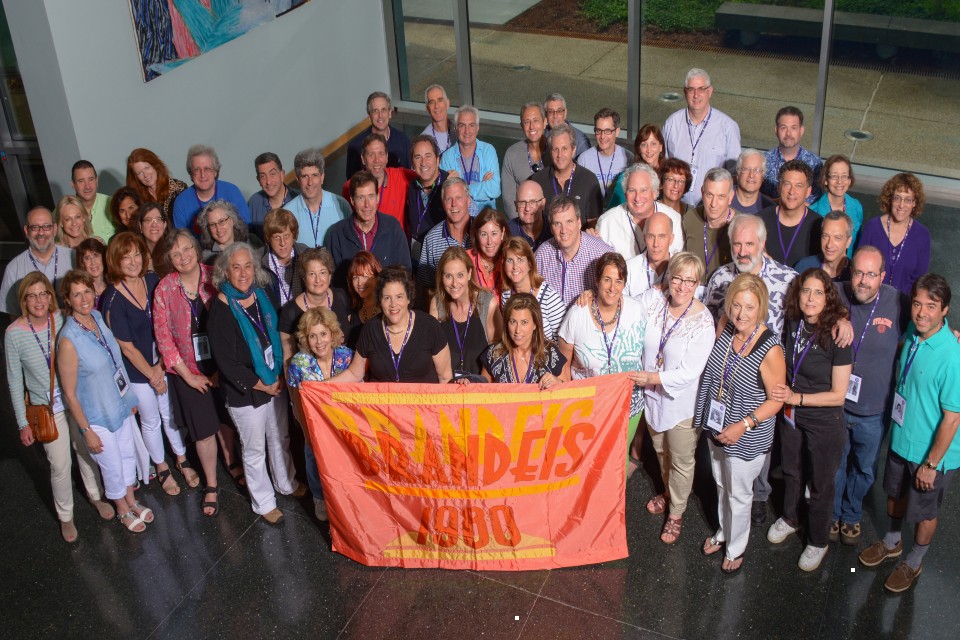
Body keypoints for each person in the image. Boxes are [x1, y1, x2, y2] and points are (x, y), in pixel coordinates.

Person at [858, 274, 960, 593]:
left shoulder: (951, 355)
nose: (921, 312)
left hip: (931, 455)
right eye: (917, 303)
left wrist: (930, 465)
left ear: (945, 309)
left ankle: (915, 560)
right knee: (894, 495)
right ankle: (891, 542)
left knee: (924, 512)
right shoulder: (915, 335)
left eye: (931, 306)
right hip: (903, 441)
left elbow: (953, 419)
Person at [6, 273, 114, 542]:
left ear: (50, 296)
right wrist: (22, 423)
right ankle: (66, 517)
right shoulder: (13, 334)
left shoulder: (62, 319)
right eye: (32, 296)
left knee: (87, 451)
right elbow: (14, 381)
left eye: (43, 294)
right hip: (47, 409)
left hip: (75, 399)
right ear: (24, 301)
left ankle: (96, 497)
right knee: (60, 465)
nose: (38, 300)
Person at [694, 274, 786, 573]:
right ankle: (724, 532)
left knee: (740, 494)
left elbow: (776, 400)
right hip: (718, 425)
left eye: (749, 307)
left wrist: (743, 425)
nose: (741, 314)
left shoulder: (769, 348)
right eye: (736, 305)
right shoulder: (727, 328)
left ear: (760, 308)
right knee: (721, 485)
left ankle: (736, 547)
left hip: (746, 436)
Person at [207, 243, 305, 524]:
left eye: (247, 266)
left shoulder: (262, 295)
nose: (243, 273)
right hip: (246, 391)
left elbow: (278, 335)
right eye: (236, 267)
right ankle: (263, 503)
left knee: (280, 437)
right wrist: (262, 385)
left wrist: (278, 377)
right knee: (254, 449)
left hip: (274, 381)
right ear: (226, 271)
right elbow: (226, 363)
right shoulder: (221, 309)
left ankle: (286, 483)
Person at [767, 268, 852, 571]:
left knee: (820, 484)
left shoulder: (838, 336)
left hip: (823, 421)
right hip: (792, 416)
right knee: (791, 469)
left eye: (818, 292)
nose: (811, 298)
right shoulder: (794, 322)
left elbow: (839, 394)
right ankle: (791, 517)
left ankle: (818, 541)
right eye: (806, 291)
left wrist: (798, 399)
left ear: (828, 297)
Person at [102, 232, 195, 496]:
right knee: (151, 419)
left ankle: (182, 458)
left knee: (171, 415)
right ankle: (162, 466)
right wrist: (153, 374)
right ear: (115, 261)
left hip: (164, 363)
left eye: (136, 254)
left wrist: (163, 365)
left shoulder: (154, 281)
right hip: (138, 373)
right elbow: (127, 348)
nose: (132, 261)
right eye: (125, 256)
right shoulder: (113, 299)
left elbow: (170, 324)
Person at [57, 270, 149, 533]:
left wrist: (129, 397)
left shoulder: (97, 317)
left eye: (87, 291)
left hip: (119, 406)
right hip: (96, 417)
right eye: (77, 294)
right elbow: (69, 393)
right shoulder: (68, 340)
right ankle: (121, 509)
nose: (84, 298)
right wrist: (86, 431)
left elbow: (116, 362)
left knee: (128, 457)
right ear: (68, 299)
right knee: (112, 466)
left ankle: (132, 501)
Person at [631, 253, 715, 544]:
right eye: (677, 277)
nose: (681, 286)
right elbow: (626, 303)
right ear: (668, 277)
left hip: (681, 404)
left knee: (680, 459)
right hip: (653, 400)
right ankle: (668, 493)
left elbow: (691, 371)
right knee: (661, 452)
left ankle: (677, 513)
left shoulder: (703, 321)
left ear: (698, 283)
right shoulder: (656, 300)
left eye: (689, 280)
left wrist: (652, 378)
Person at [153, 230, 236, 517]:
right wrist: (188, 376)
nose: (183, 256)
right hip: (187, 371)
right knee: (202, 430)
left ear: (196, 249)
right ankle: (212, 485)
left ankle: (232, 463)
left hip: (223, 364)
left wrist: (220, 369)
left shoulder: (216, 276)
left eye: (187, 249)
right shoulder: (164, 289)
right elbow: (164, 339)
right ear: (169, 258)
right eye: (175, 253)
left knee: (226, 419)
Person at [832, 246, 910, 546]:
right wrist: (839, 317)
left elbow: (925, 323)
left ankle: (851, 515)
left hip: (874, 411)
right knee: (836, 463)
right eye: (859, 273)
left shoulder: (896, 301)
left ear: (883, 276)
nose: (863, 281)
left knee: (864, 468)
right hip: (838, 404)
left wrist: (949, 333)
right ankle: (834, 512)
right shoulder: (838, 294)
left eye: (871, 274)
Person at [558, 253, 646, 472]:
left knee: (616, 463)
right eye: (607, 279)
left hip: (628, 404)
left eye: (619, 281)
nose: (612, 287)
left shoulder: (637, 310)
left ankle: (616, 506)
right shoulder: (577, 314)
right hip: (589, 407)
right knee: (589, 464)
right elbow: (563, 365)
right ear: (596, 281)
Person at [286, 307, 354, 522]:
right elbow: (297, 402)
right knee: (313, 458)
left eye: (323, 334)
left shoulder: (346, 356)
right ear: (306, 339)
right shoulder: (299, 364)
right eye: (312, 336)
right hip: (313, 424)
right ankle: (319, 498)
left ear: (332, 333)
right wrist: (307, 433)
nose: (319, 341)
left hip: (343, 423)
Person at [332, 266, 454, 384]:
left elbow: (445, 377)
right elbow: (355, 374)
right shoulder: (370, 328)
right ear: (380, 300)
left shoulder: (430, 326)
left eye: (399, 297)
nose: (393, 304)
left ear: (408, 298)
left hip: (422, 404)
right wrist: (317, 387)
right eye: (387, 298)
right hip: (381, 404)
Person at [702, 214, 798, 336]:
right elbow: (706, 326)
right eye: (737, 244)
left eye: (749, 244)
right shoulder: (720, 277)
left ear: (762, 244)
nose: (742, 252)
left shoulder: (788, 280)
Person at [662, 68, 741, 206]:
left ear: (710, 91)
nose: (696, 95)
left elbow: (734, 175)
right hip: (675, 205)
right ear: (685, 92)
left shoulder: (728, 127)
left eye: (701, 89)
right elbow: (663, 165)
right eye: (691, 89)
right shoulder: (671, 123)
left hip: (711, 208)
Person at [326, 170, 412, 288]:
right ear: (352, 200)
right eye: (361, 198)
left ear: (377, 197)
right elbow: (335, 282)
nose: (367, 205)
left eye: (371, 196)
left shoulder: (393, 227)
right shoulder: (337, 234)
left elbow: (405, 272)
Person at [430, 247, 500, 378]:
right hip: (447, 388)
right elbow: (431, 352)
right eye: (448, 276)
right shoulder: (437, 303)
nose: (454, 283)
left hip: (479, 390)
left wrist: (478, 385)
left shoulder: (487, 303)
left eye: (460, 275)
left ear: (469, 273)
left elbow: (497, 354)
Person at [857, 172, 931, 296]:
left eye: (908, 200)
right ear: (890, 199)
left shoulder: (923, 235)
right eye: (897, 198)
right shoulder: (872, 227)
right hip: (869, 300)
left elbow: (920, 281)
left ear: (914, 203)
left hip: (904, 305)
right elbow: (859, 268)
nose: (901, 205)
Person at [278, 247, 352, 366]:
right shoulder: (289, 312)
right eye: (312, 274)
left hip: (345, 372)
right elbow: (288, 357)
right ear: (303, 277)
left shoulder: (341, 296)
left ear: (330, 275)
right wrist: (292, 385)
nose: (318, 280)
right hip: (310, 378)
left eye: (322, 272)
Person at [535, 196, 614, 307]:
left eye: (569, 222)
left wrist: (597, 296)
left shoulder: (602, 253)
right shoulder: (542, 255)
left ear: (579, 222)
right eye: (557, 223)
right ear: (552, 228)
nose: (564, 230)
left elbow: (616, 296)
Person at [596, 163, 683, 260]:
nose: (637, 198)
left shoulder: (674, 219)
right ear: (625, 194)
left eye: (643, 190)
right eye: (632, 190)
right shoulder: (607, 222)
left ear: (655, 193)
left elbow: (679, 263)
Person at [480, 293, 566, 388]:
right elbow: (481, 392)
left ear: (535, 324)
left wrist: (559, 383)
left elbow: (569, 392)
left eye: (524, 322)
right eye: (513, 322)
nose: (517, 330)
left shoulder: (551, 354)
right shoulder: (493, 354)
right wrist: (468, 382)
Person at [0, 206, 74, 316]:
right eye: (35, 227)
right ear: (26, 231)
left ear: (54, 229)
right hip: (34, 332)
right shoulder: (13, 268)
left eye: (46, 227)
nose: (41, 233)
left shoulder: (74, 257)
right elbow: (13, 315)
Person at [531, 123, 603, 224]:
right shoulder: (538, 180)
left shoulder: (589, 181)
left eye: (564, 148)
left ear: (573, 150)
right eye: (555, 149)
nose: (559, 155)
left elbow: (593, 223)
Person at [343, 134, 417, 231]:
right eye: (371, 154)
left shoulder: (401, 176)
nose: (376, 160)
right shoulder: (350, 186)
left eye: (381, 154)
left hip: (397, 244)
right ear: (363, 159)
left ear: (386, 157)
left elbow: (427, 176)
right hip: (366, 244)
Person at [173, 144, 251, 233]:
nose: (202, 175)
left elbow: (246, 229)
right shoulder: (181, 202)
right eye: (197, 170)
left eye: (207, 169)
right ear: (191, 174)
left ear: (215, 171)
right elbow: (181, 238)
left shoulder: (232, 192)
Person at [759, 159, 822, 268]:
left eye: (798, 186)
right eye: (787, 184)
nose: (792, 191)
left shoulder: (819, 226)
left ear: (808, 191)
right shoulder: (759, 220)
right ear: (779, 187)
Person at [500, 237, 565, 341]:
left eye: (520, 260)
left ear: (530, 264)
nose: (515, 267)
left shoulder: (549, 297)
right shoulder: (506, 294)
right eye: (510, 260)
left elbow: (563, 342)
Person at [286, 147, 352, 248]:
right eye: (304, 176)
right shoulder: (287, 213)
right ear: (297, 179)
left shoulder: (342, 205)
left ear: (322, 177)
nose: (310, 182)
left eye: (314, 175)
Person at [439, 105, 501, 213]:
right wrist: (482, 185)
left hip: (486, 217)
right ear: (455, 129)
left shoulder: (488, 151)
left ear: (477, 128)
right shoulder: (447, 157)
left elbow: (494, 189)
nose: (467, 131)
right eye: (462, 125)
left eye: (471, 125)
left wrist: (462, 188)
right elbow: (446, 194)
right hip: (458, 216)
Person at [682, 167, 737, 282]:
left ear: (730, 197)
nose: (713, 204)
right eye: (709, 195)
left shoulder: (741, 226)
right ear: (702, 193)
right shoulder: (690, 219)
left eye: (721, 196)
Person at [417, 178, 473, 290]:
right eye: (448, 199)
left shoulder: (482, 233)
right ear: (443, 204)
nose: (454, 204)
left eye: (458, 198)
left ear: (468, 200)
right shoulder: (431, 239)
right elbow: (424, 285)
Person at [761, 106, 823, 202]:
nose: (788, 134)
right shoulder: (763, 160)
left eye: (793, 128)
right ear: (776, 130)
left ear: (801, 131)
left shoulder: (815, 163)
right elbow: (756, 197)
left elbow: (815, 201)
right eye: (783, 128)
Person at [345, 91, 412, 179]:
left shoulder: (403, 140)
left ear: (390, 113)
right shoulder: (356, 146)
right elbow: (352, 182)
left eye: (383, 110)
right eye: (375, 111)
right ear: (369, 116)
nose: (380, 116)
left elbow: (408, 176)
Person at [406, 135, 450, 262]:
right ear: (412, 163)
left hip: (443, 254)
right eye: (418, 157)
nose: (423, 162)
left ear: (437, 159)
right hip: (416, 251)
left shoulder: (450, 184)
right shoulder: (412, 187)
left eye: (428, 156)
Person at [501, 102, 547, 220]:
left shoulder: (556, 151)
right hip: (521, 222)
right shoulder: (512, 154)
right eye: (527, 122)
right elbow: (508, 200)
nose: (531, 127)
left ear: (545, 122)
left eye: (536, 120)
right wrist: (523, 226)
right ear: (522, 126)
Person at [810, 155, 863, 257]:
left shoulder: (857, 207)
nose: (840, 181)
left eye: (844, 176)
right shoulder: (812, 212)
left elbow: (857, 245)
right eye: (834, 176)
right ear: (826, 180)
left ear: (849, 180)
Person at [577, 108, 633, 199]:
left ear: (617, 132)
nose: (602, 136)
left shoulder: (628, 158)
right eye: (599, 131)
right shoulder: (584, 160)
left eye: (607, 131)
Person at [606, 124, 664, 208]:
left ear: (661, 147)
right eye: (644, 144)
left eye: (653, 144)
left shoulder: (669, 175)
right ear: (638, 149)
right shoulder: (626, 177)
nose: (649, 150)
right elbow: (613, 211)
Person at [260, 208, 309, 308]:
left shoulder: (306, 255)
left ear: (293, 235)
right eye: (277, 237)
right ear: (269, 238)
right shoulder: (258, 260)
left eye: (286, 236)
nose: (282, 243)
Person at [126, 148, 188, 221]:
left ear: (155, 166)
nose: (145, 175)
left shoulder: (179, 188)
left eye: (147, 168)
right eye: (139, 173)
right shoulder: (136, 197)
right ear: (135, 177)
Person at [624, 212, 674, 299]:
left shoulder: (682, 270)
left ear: (671, 239)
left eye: (661, 236)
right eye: (651, 236)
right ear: (644, 238)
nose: (656, 244)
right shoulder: (628, 269)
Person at [198, 200, 264, 265]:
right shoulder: (205, 257)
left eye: (222, 221)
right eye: (212, 225)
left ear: (233, 220)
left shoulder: (252, 241)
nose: (218, 229)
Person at [247, 152, 298, 237]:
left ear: (282, 174)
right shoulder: (254, 203)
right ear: (258, 180)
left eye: (272, 174)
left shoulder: (298, 198)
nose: (268, 182)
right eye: (263, 176)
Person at [794, 210, 854, 281]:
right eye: (825, 236)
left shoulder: (854, 275)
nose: (829, 245)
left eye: (837, 238)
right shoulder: (803, 267)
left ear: (848, 242)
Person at [467, 207, 510, 298]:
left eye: (494, 234)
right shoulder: (465, 259)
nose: (489, 241)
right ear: (477, 235)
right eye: (484, 234)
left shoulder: (510, 259)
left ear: (502, 233)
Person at [71, 160, 114, 242]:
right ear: (73, 184)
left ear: (96, 181)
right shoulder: (63, 210)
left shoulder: (112, 204)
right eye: (81, 181)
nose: (87, 186)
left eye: (91, 179)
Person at [346, 251, 382, 346]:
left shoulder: (388, 309)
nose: (359, 283)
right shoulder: (351, 314)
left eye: (365, 277)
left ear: (377, 278)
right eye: (355, 277)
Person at [543, 92, 591, 158]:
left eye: (559, 111)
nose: (555, 116)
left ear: (565, 113)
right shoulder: (541, 137)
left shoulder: (580, 140)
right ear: (546, 115)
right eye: (550, 112)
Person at [509, 181, 551, 251]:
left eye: (533, 202)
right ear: (516, 206)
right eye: (522, 202)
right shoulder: (507, 232)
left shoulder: (554, 229)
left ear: (543, 203)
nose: (527, 208)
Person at [732, 149, 775, 215]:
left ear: (763, 176)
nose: (751, 175)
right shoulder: (722, 198)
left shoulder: (770, 208)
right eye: (746, 169)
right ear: (738, 174)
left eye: (757, 170)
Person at [137, 202, 174, 277]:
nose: (154, 224)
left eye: (158, 219)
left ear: (164, 224)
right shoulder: (135, 255)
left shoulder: (173, 250)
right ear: (140, 226)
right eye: (148, 220)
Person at [422, 84, 455, 156]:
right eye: (432, 102)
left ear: (448, 103)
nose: (436, 106)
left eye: (440, 100)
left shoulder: (460, 130)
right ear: (427, 109)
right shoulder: (424, 140)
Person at [76, 238, 109, 309]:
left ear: (103, 258)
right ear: (82, 263)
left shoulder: (115, 286)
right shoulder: (81, 292)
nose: (93, 262)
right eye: (87, 258)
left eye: (96, 256)